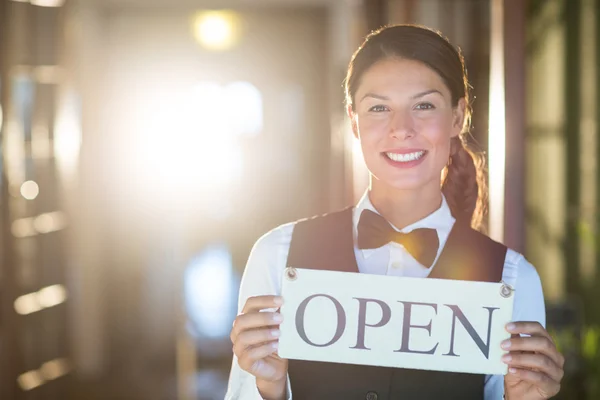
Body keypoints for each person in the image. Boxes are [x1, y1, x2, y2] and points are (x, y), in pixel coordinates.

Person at [226, 24, 564, 400]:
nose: (401, 128)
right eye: (378, 108)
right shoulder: (276, 255)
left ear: (458, 117)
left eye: (423, 105)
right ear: (354, 122)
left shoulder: (513, 279)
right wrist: (269, 388)